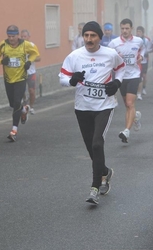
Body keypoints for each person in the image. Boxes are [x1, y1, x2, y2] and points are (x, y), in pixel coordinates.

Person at [59, 21, 125, 204]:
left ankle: (95, 188)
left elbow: (121, 68)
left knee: (97, 144)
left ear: (99, 38)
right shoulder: (75, 56)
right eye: (86, 35)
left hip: (104, 105)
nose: (89, 39)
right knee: (91, 148)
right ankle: (105, 171)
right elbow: (62, 77)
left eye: (93, 36)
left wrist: (117, 83)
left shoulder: (110, 54)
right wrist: (72, 81)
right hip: (82, 107)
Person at [0, 25, 40, 142]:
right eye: (9, 36)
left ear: (17, 35)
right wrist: (1, 61)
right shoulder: (3, 45)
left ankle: (14, 130)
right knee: (13, 105)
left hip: (21, 78)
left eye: (13, 36)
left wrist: (29, 61)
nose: (11, 39)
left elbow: (36, 53)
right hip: (8, 79)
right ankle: (24, 110)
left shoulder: (25, 44)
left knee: (17, 101)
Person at [108, 19, 145, 143]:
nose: (124, 31)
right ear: (120, 28)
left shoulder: (138, 41)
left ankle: (126, 131)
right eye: (122, 28)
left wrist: (141, 56)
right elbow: (108, 57)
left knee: (130, 104)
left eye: (127, 28)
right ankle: (136, 116)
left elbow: (143, 50)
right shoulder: (114, 43)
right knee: (127, 105)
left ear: (131, 28)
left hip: (134, 75)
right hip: (121, 76)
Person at [20, 29, 41, 114]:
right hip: (21, 73)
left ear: (29, 37)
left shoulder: (32, 46)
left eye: (25, 36)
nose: (23, 38)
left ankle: (31, 107)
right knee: (21, 91)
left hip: (31, 72)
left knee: (31, 91)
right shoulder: (19, 46)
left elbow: (39, 58)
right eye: (22, 37)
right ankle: (25, 102)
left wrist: (30, 59)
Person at [135, 26, 152, 99]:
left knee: (143, 76)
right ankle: (138, 91)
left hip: (145, 60)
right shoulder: (134, 39)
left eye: (140, 32)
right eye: (137, 31)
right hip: (137, 60)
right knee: (138, 76)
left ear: (143, 33)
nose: (138, 33)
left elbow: (150, 48)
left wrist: (145, 52)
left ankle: (144, 88)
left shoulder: (147, 40)